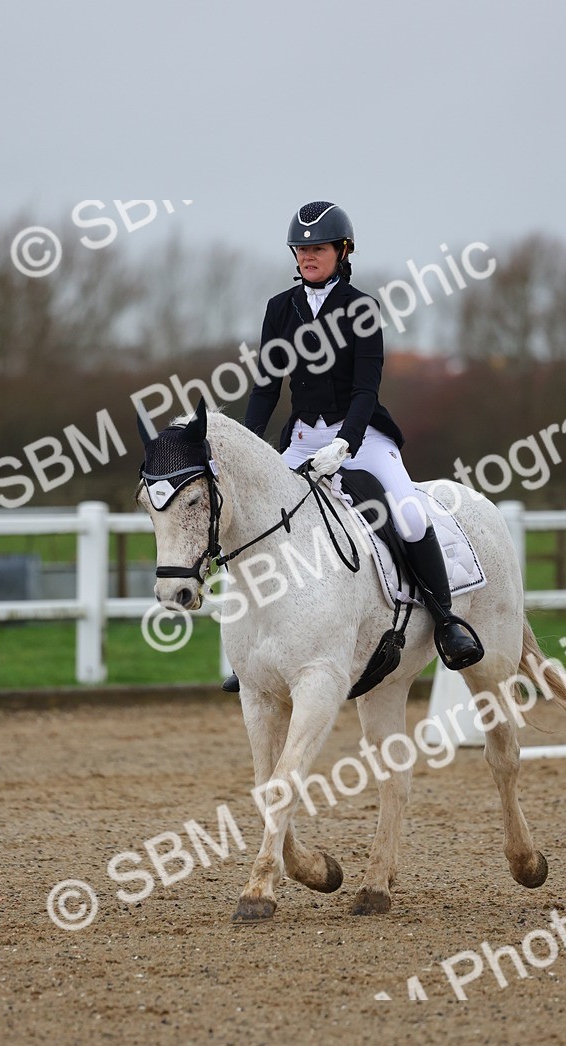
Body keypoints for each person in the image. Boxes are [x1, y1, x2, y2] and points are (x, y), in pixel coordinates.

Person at [223, 200, 483, 692]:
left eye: (316, 249)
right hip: (302, 438)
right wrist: (244, 445)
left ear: (343, 251)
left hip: (359, 435)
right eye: (300, 250)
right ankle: (250, 650)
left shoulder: (361, 307)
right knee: (259, 522)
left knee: (406, 513)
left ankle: (447, 620)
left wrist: (346, 443)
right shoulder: (280, 309)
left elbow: (366, 388)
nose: (306, 257)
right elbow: (265, 388)